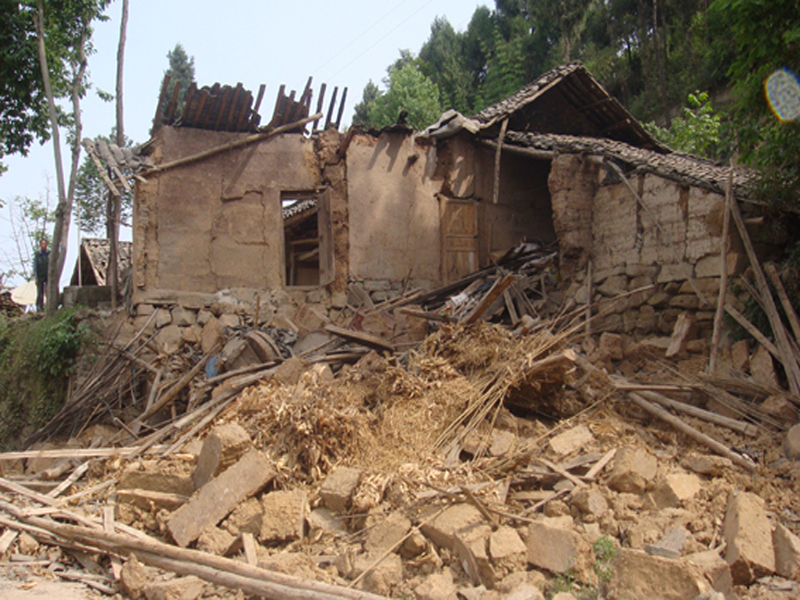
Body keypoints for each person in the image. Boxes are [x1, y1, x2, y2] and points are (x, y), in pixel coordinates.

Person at [33, 238, 49, 313]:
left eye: (44, 244)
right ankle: (39, 307)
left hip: (47, 276)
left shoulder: (49, 254)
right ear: (40, 245)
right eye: (42, 244)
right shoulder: (37, 255)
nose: (43, 245)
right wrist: (36, 277)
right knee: (40, 293)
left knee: (48, 292)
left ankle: (48, 307)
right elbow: (35, 266)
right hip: (39, 276)